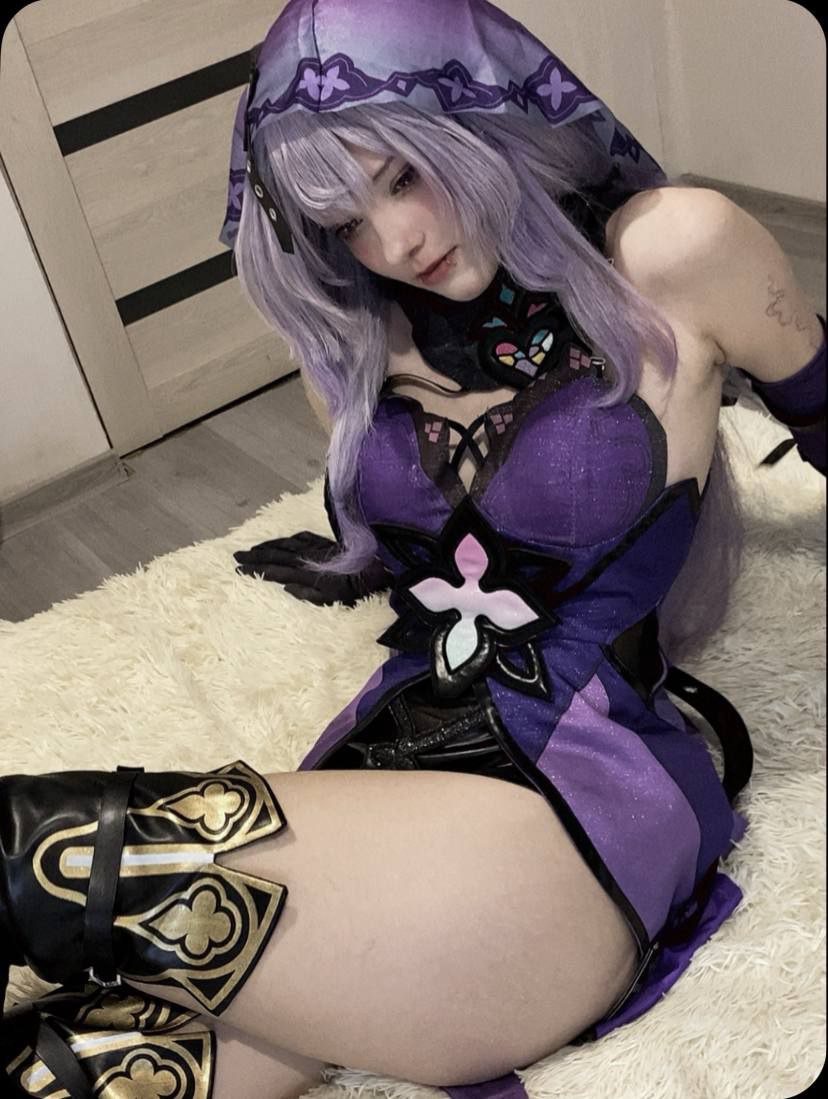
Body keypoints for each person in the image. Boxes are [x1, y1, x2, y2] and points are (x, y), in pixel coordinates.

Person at [1, 2, 825, 1097]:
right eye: (344, 220)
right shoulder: (351, 340)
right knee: (69, 1067)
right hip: (392, 794)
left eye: (404, 176)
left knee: (40, 851)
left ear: (475, 117)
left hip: (571, 816)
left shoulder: (672, 251)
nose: (394, 243)